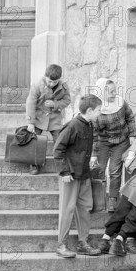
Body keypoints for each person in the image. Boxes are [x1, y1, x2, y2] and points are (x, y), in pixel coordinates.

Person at [53, 94, 103, 258]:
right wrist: (65, 171)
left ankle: (83, 243)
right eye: (98, 110)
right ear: (89, 110)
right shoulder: (72, 126)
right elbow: (58, 150)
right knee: (67, 209)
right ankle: (61, 245)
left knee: (85, 208)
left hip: (84, 174)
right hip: (71, 175)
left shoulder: (89, 124)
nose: (99, 113)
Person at [90, 78, 136, 212]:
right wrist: (93, 155)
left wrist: (132, 135)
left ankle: (113, 199)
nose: (113, 94)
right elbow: (93, 133)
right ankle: (96, 200)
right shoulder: (96, 108)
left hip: (120, 141)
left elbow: (130, 117)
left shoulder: (121, 103)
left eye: (114, 91)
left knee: (114, 171)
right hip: (103, 142)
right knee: (99, 170)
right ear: (101, 92)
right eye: (110, 92)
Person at [25, 64, 71, 175]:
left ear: (59, 79)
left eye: (54, 82)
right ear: (45, 76)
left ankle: (62, 167)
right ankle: (34, 164)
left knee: (60, 141)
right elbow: (30, 103)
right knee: (34, 140)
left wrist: (55, 104)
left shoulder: (63, 86)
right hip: (38, 117)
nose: (51, 84)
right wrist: (30, 122)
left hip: (54, 118)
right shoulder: (37, 85)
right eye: (49, 81)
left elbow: (67, 100)